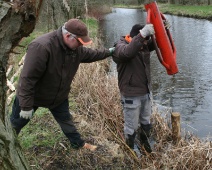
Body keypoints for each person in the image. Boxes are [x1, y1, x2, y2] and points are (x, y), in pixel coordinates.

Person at [10, 18, 115, 151]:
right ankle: (7, 148)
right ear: (67, 36)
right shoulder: (41, 46)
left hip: (58, 96)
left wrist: (110, 51)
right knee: (15, 124)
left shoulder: (76, 49)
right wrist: (25, 105)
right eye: (79, 42)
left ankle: (79, 144)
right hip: (32, 96)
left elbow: (93, 54)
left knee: (66, 121)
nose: (81, 45)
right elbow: (27, 79)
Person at [112, 24, 155, 156]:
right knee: (131, 126)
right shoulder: (120, 46)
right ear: (137, 37)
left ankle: (145, 143)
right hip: (131, 95)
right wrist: (142, 36)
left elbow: (158, 45)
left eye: (146, 41)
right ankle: (130, 150)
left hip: (145, 92)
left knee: (146, 121)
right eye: (143, 40)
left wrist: (162, 29)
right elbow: (127, 52)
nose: (146, 44)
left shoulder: (143, 44)